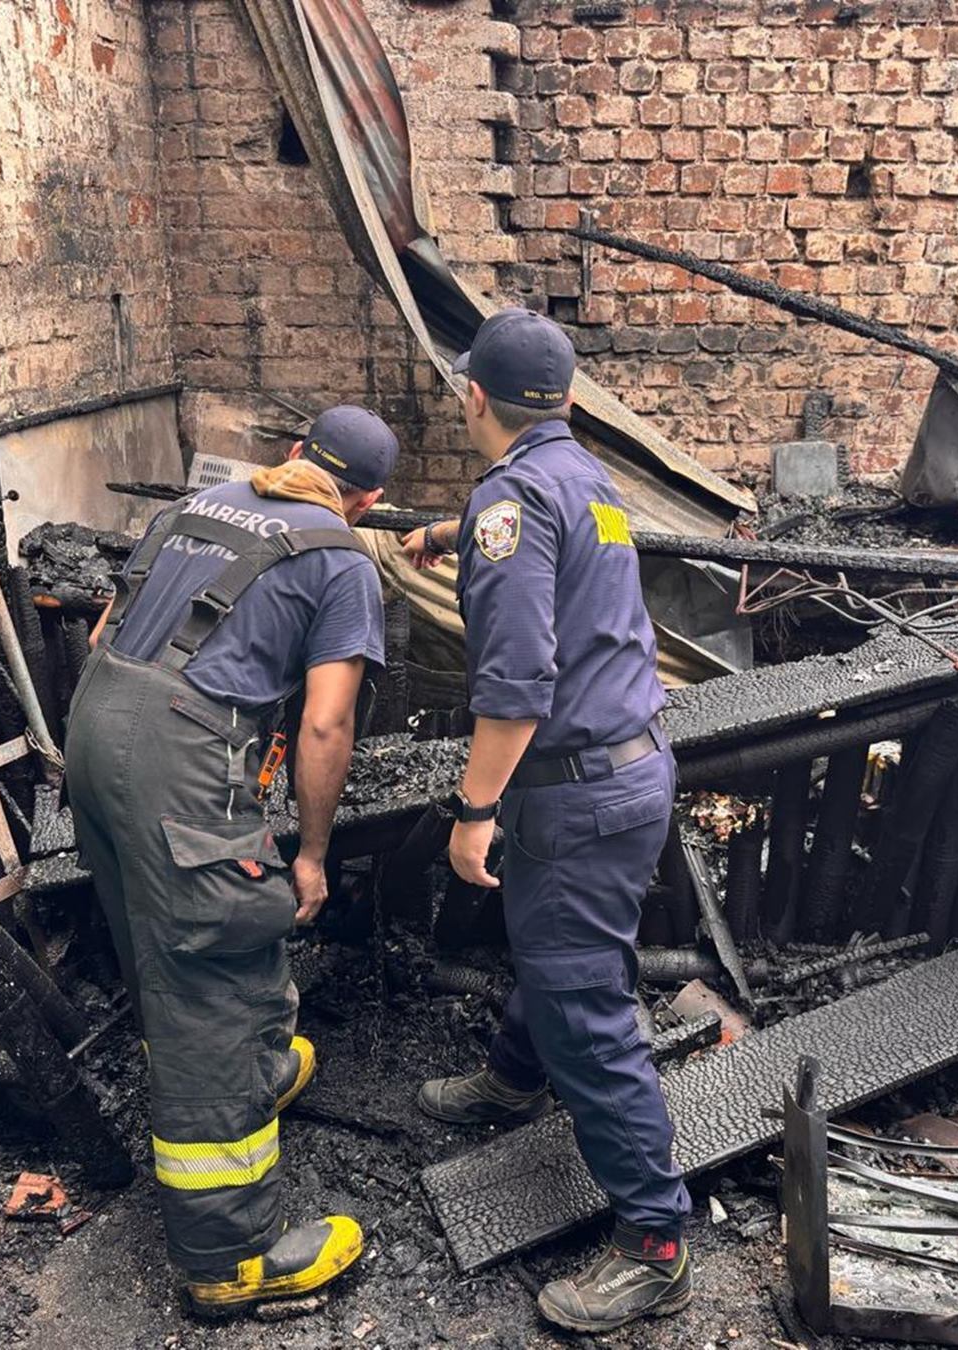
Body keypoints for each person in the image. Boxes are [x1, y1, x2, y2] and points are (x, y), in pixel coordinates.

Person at [66, 406, 397, 1318]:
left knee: (159, 936)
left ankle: (256, 1071)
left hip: (95, 729)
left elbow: (103, 637)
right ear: (364, 502)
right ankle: (230, 1258)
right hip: (176, 756)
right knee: (216, 965)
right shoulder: (340, 560)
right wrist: (313, 851)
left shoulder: (198, 506)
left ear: (294, 456)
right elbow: (327, 722)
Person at [401, 309, 693, 1333]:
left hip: (571, 786)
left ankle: (655, 1243)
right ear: (564, 401)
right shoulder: (582, 478)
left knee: (587, 1004)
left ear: (474, 397)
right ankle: (516, 1080)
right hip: (628, 768)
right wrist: (442, 533)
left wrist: (472, 810)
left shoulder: (514, 500)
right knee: (555, 942)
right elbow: (540, 537)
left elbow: (517, 685)